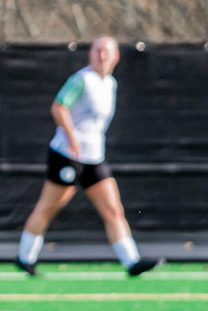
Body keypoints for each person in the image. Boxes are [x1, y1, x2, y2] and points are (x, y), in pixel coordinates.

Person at [14, 37, 163, 278]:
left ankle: (132, 261)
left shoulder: (110, 84)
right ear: (91, 54)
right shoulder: (81, 80)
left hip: (95, 157)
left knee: (114, 209)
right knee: (49, 207)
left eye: (107, 51)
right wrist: (72, 137)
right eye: (97, 51)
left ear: (115, 57)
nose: (101, 55)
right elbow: (59, 107)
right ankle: (25, 257)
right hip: (67, 155)